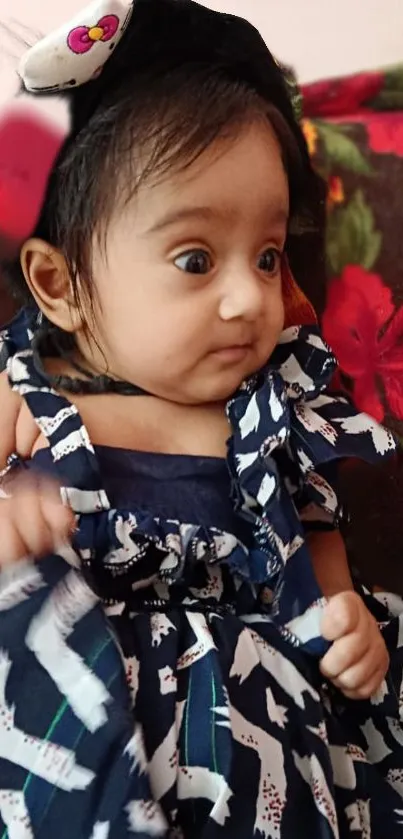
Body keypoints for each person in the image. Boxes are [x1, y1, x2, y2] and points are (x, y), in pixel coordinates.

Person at [0, 0, 402, 836]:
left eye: (266, 255)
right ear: (58, 285)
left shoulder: (272, 415)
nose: (249, 297)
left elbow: (313, 542)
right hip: (92, 745)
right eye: (194, 258)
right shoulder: (28, 411)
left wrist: (342, 614)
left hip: (270, 752)